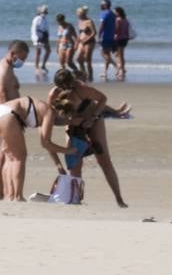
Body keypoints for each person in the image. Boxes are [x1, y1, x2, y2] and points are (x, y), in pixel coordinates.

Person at [49, 69, 128, 208]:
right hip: (73, 125)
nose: (67, 90)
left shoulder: (82, 89)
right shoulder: (54, 95)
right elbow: (52, 120)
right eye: (63, 88)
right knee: (74, 163)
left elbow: (102, 99)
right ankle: (75, 198)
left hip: (93, 121)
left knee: (104, 160)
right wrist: (70, 122)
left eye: (69, 87)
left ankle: (119, 199)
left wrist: (92, 118)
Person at [0, 95, 73, 201]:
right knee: (19, 158)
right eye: (68, 117)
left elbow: (45, 142)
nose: (68, 121)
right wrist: (68, 151)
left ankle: (10, 195)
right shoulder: (49, 113)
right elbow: (46, 143)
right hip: (7, 116)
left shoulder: (43, 108)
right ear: (62, 112)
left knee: (10, 158)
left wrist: (58, 165)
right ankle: (18, 196)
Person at [0, 40, 29, 200]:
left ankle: (3, 195)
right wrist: (16, 117)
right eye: (22, 58)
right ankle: (9, 194)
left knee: (3, 155)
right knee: (12, 156)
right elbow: (2, 94)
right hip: (5, 114)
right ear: (12, 54)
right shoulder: (4, 69)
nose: (23, 62)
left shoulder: (3, 67)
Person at [75, 6, 97, 82]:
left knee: (88, 59)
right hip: (81, 42)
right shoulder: (79, 21)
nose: (77, 14)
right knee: (78, 58)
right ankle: (84, 74)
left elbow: (94, 33)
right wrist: (76, 42)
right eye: (77, 13)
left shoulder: (89, 21)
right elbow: (80, 33)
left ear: (83, 13)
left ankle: (90, 76)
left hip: (89, 42)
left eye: (79, 13)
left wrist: (86, 40)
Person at [98, 0, 118, 81]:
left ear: (105, 5)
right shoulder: (113, 14)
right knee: (108, 54)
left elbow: (102, 25)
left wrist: (99, 35)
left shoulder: (104, 13)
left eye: (101, 4)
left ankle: (115, 65)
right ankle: (105, 72)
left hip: (105, 36)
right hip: (111, 36)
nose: (100, 5)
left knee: (103, 54)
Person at [29, 5, 50, 75]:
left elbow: (46, 29)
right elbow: (33, 29)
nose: (45, 13)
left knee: (48, 50)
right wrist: (35, 38)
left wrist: (47, 36)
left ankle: (43, 65)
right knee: (38, 52)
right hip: (38, 37)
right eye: (44, 11)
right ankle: (36, 67)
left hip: (44, 37)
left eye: (46, 11)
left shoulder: (45, 19)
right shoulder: (36, 19)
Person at [113, 6, 131, 81]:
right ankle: (121, 69)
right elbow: (127, 30)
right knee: (119, 54)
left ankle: (121, 70)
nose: (114, 13)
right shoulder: (125, 19)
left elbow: (117, 29)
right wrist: (127, 37)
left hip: (119, 38)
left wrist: (113, 35)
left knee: (119, 55)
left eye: (115, 12)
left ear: (118, 12)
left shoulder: (118, 20)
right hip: (125, 38)